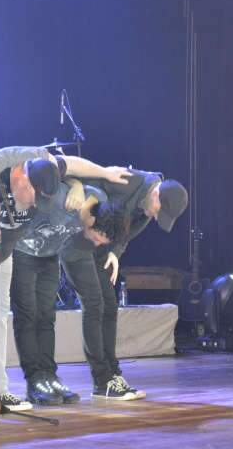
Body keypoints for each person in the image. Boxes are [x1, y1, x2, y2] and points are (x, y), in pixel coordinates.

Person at [0, 147, 131, 414]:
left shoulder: (44, 170)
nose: (35, 205)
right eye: (33, 196)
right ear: (21, 176)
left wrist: (100, 174)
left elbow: (72, 164)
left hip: (0, 252)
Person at [72, 169, 188, 399]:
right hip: (80, 239)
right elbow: (87, 183)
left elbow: (127, 232)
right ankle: (101, 379)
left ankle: (112, 374)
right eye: (159, 211)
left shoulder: (146, 208)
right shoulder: (127, 181)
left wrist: (115, 252)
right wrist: (78, 190)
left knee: (109, 305)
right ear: (155, 195)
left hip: (103, 247)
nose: (155, 216)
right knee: (94, 305)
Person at [11, 181, 130, 405]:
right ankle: (35, 380)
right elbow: (60, 170)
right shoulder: (65, 201)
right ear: (92, 221)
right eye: (95, 238)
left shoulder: (99, 201)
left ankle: (49, 376)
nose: (94, 244)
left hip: (49, 257)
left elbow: (81, 183)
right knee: (27, 315)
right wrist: (74, 185)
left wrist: (77, 184)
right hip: (22, 253)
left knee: (47, 316)